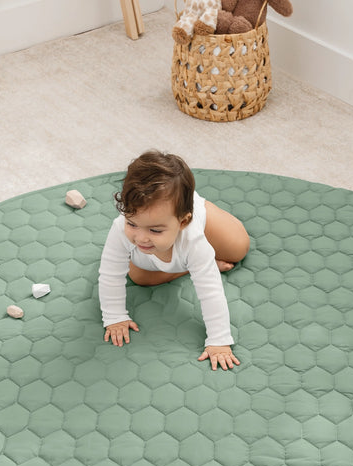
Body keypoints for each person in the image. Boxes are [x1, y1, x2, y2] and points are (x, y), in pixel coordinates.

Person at [99, 150, 250, 370]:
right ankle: (195, 267)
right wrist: (114, 316)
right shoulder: (120, 229)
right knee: (138, 277)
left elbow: (211, 292)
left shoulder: (193, 239)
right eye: (132, 223)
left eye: (154, 230)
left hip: (200, 219)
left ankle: (203, 258)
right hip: (162, 257)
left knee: (238, 248)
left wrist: (219, 340)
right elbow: (110, 274)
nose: (140, 238)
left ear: (183, 222)